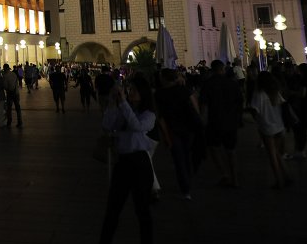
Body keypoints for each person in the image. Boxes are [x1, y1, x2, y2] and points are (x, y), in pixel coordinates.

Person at [99, 74, 156, 244]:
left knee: (142, 210)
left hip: (140, 163)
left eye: (134, 90)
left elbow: (137, 126)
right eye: (129, 89)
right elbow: (107, 125)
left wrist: (123, 103)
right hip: (123, 162)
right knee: (112, 209)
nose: (130, 92)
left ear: (143, 92)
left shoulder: (149, 114)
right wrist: (111, 104)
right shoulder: (124, 108)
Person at [154, 68, 201, 199]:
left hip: (172, 130)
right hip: (189, 127)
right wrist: (197, 122)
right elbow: (195, 106)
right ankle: (188, 180)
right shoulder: (185, 90)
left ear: (163, 78)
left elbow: (161, 117)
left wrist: (165, 136)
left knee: (179, 159)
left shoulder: (159, 94)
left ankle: (185, 188)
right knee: (187, 155)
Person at [198, 59, 243, 187]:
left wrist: (203, 121)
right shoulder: (232, 83)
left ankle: (224, 174)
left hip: (214, 122)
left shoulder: (207, 84)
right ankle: (235, 178)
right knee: (231, 151)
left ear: (212, 70)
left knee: (214, 148)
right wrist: (238, 118)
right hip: (231, 122)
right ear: (222, 69)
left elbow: (204, 105)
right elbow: (240, 101)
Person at [247, 71, 292, 188]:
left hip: (267, 126)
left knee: (272, 154)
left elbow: (254, 109)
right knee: (277, 153)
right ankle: (286, 175)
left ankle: (279, 180)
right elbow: (283, 104)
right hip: (279, 125)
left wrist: (255, 118)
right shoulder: (275, 92)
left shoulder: (259, 93)